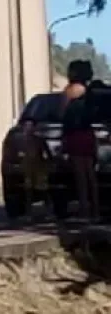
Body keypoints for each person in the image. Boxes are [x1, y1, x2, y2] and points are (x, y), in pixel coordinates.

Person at [62, 60, 100, 221]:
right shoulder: (90, 92)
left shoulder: (69, 91)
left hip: (74, 135)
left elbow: (62, 113)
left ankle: (85, 209)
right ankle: (96, 210)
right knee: (91, 176)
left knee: (80, 176)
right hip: (87, 134)